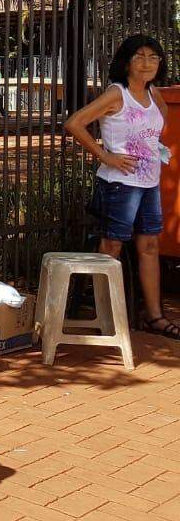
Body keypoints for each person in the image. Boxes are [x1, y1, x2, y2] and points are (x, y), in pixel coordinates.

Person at [65, 34, 176, 337]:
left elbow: (157, 129)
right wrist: (105, 155)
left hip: (148, 184)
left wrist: (158, 151)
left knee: (150, 246)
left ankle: (154, 316)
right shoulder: (117, 94)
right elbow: (75, 122)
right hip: (119, 185)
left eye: (153, 57)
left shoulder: (155, 94)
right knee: (112, 245)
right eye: (139, 57)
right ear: (126, 62)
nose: (147, 63)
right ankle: (104, 318)